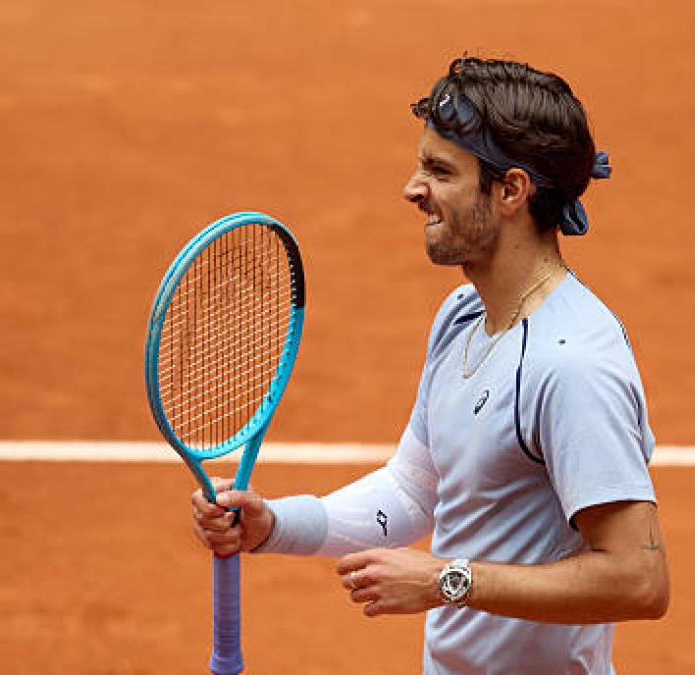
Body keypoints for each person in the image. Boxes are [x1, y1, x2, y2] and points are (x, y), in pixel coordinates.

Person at [192, 57, 669, 674]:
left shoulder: (571, 366)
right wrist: (276, 524)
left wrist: (448, 580)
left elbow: (640, 579)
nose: (413, 189)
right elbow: (415, 490)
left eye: (440, 171)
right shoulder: (464, 314)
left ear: (511, 191)